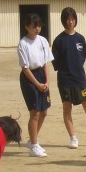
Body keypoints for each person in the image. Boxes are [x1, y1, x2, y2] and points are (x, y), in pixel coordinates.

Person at [52, 7, 86, 149]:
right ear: (63, 21)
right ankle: (73, 138)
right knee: (67, 108)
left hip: (80, 79)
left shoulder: (80, 39)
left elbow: (82, 58)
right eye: (68, 19)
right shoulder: (58, 40)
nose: (70, 22)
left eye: (72, 19)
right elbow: (55, 63)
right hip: (65, 80)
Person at [18, 13, 54, 158]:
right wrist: (37, 84)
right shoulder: (23, 44)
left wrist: (47, 82)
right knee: (35, 112)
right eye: (34, 27)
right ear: (27, 27)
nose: (37, 29)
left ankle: (33, 139)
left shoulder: (43, 41)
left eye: (39, 26)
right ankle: (34, 145)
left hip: (42, 75)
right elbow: (25, 68)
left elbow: (46, 63)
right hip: (30, 78)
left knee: (44, 111)